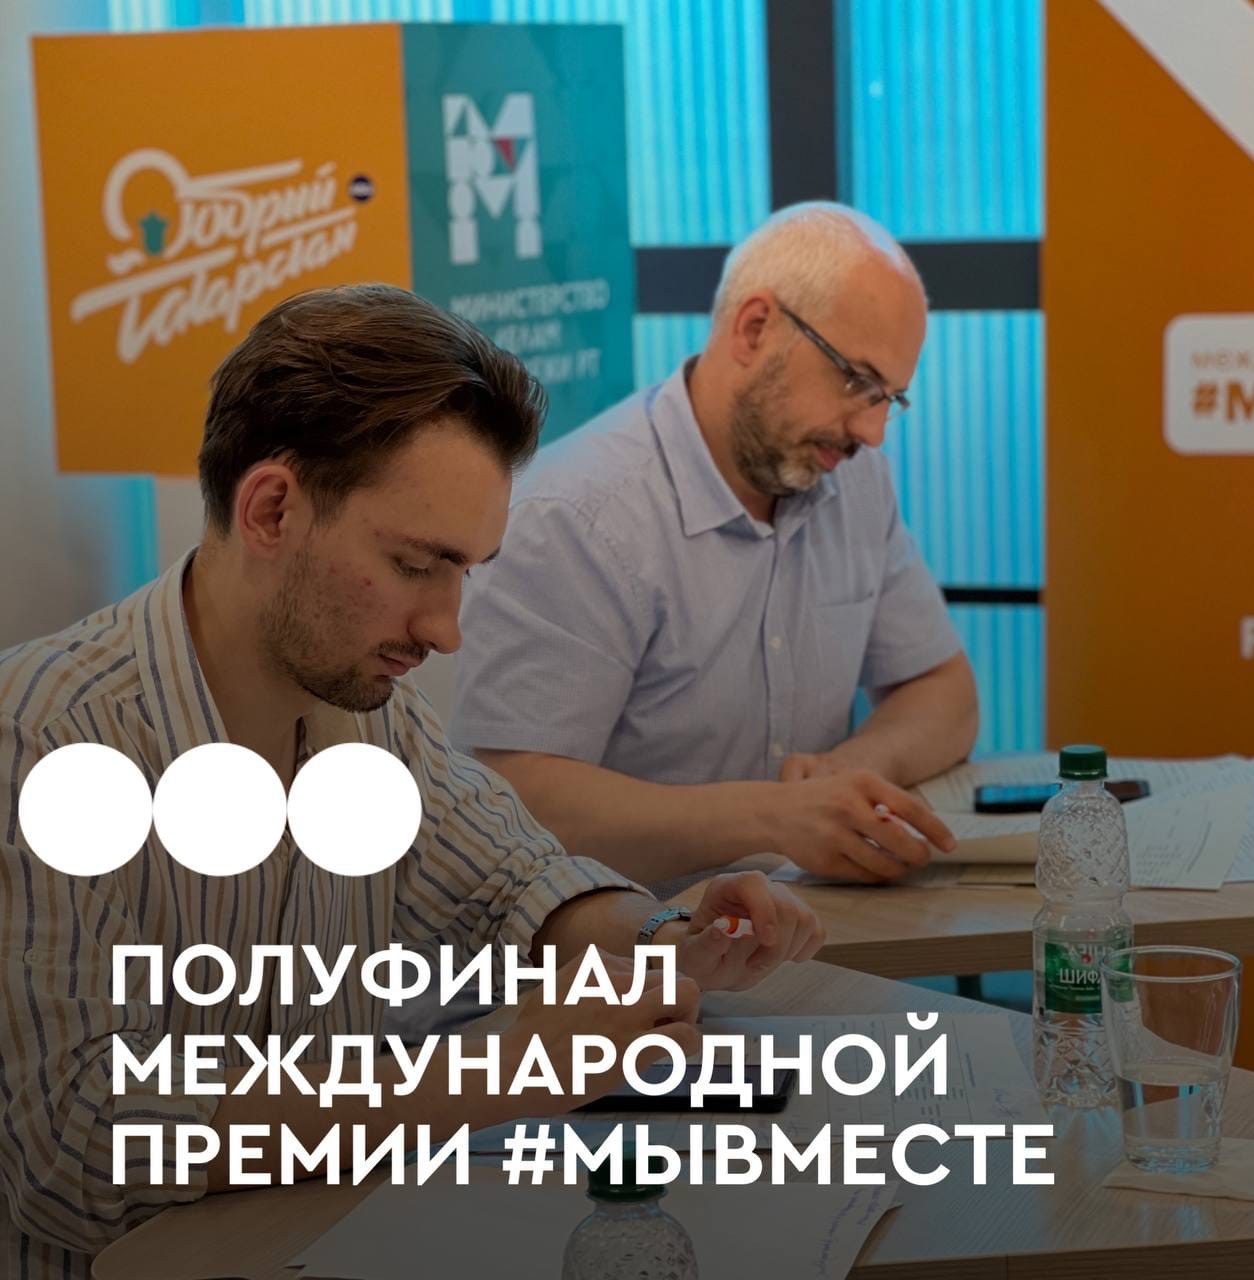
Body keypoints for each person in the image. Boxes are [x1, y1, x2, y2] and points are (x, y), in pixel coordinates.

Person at [0, 285, 823, 1280]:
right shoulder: (45, 737)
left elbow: (513, 886)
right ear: (271, 510)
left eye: (464, 571)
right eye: (414, 564)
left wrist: (666, 936)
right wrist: (494, 1072)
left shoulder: (367, 712)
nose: (446, 628)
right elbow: (80, 1147)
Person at [451, 204, 979, 894]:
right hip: (626, 942)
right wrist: (773, 817)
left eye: (891, 399)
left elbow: (945, 693)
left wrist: (850, 770)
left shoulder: (853, 481)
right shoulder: (576, 516)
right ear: (755, 329)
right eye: (858, 382)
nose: (873, 432)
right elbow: (516, 800)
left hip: (812, 921)